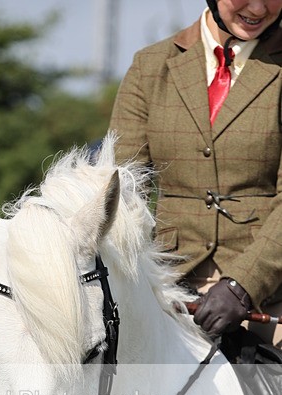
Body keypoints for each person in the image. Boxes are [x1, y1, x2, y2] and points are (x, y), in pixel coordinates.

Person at [109, 0, 282, 344]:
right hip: (167, 282)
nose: (259, 8)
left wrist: (242, 284)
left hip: (268, 289)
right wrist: (136, 278)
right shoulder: (149, 66)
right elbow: (125, 187)